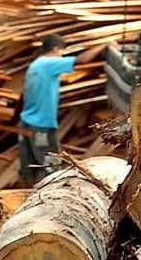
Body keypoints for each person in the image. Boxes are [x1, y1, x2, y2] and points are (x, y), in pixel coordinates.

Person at [17, 35, 100, 185]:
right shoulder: (48, 64)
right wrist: (104, 45)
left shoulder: (35, 65)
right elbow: (81, 60)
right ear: (55, 49)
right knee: (51, 166)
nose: (62, 55)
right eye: (62, 51)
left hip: (26, 123)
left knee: (28, 167)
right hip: (41, 125)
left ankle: (23, 196)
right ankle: (44, 200)